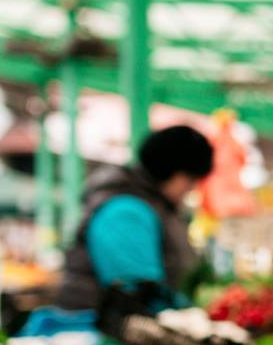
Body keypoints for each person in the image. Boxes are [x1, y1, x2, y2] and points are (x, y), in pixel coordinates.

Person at [56, 125, 213, 313]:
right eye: (190, 180)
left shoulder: (152, 206)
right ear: (173, 172)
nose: (191, 189)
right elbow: (136, 289)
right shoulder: (126, 212)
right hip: (94, 328)